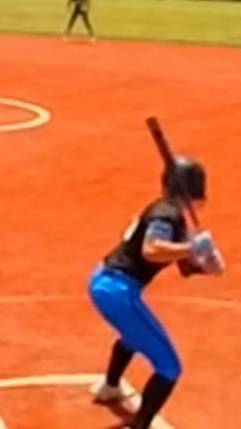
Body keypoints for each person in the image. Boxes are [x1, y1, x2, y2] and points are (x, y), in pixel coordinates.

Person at [87, 156, 225, 428]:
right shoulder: (166, 214)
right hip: (118, 291)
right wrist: (192, 247)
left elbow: (184, 266)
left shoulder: (167, 212)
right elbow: (151, 250)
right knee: (169, 367)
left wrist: (208, 263)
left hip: (107, 284)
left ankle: (110, 387)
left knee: (133, 335)